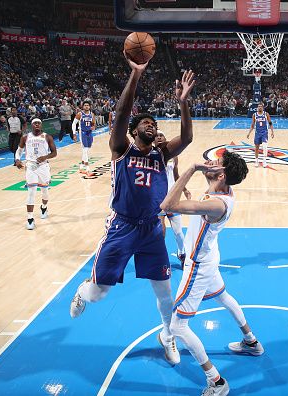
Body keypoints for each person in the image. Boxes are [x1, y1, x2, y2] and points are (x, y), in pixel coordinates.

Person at [69, 53, 196, 369]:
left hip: (152, 228)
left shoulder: (161, 155)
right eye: (146, 123)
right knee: (99, 294)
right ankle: (82, 292)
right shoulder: (121, 148)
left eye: (154, 124)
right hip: (122, 227)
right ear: (135, 130)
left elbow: (189, 137)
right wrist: (135, 76)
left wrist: (183, 103)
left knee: (165, 293)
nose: (152, 126)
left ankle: (167, 338)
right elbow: (122, 114)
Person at [160, 151, 263, 396]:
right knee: (223, 296)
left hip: (198, 266)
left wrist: (192, 168)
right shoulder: (222, 190)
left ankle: (216, 381)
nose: (211, 163)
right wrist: (207, 174)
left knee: (178, 327)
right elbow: (208, 186)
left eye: (216, 163)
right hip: (210, 256)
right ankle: (251, 342)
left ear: (222, 174)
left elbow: (167, 206)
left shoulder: (216, 204)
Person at [155, 130, 191, 269]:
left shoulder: (173, 156)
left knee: (178, 233)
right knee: (160, 231)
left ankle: (182, 253)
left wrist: (185, 189)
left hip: (173, 198)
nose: (158, 137)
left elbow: (177, 176)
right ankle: (160, 257)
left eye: (161, 135)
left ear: (165, 139)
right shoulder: (150, 155)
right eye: (156, 136)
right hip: (158, 199)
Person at [15, 119, 57, 230]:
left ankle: (44, 207)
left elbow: (54, 153)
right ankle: (30, 219)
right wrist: (17, 160)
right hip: (30, 166)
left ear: (41, 125)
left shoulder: (47, 137)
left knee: (45, 191)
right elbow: (19, 150)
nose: (37, 124)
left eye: (39, 123)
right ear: (32, 125)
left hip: (43, 166)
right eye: (35, 123)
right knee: (31, 192)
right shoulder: (25, 137)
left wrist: (45, 157)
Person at [246, 103, 274, 168]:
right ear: (257, 108)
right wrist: (249, 133)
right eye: (258, 106)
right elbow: (252, 125)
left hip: (264, 133)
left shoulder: (266, 114)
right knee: (256, 148)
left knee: (265, 147)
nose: (260, 107)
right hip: (257, 133)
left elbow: (270, 123)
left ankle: (264, 161)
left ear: (263, 108)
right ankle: (256, 161)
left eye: (261, 106)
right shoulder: (254, 115)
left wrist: (272, 132)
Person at [72, 100, 96, 175]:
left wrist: (93, 127)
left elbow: (94, 124)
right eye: (85, 105)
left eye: (87, 105)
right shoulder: (80, 114)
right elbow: (74, 124)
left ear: (90, 106)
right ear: (83, 106)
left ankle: (81, 166)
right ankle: (87, 169)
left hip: (89, 133)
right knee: (85, 150)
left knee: (86, 149)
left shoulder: (92, 114)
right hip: (82, 133)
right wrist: (74, 133)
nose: (86, 106)